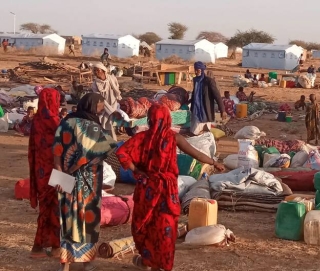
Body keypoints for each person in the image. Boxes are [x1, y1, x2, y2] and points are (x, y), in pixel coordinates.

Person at [116, 104, 224, 271]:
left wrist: (135, 169)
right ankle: (161, 264)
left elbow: (121, 152)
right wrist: (214, 162)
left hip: (147, 188)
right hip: (167, 189)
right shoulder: (173, 138)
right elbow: (196, 153)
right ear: (167, 119)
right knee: (165, 226)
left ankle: (147, 260)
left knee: (145, 224)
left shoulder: (141, 137)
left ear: (150, 119)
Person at [53, 93, 117, 271]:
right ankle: (87, 262)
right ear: (91, 105)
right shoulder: (94, 127)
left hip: (65, 177)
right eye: (100, 105)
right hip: (90, 181)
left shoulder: (65, 123)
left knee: (67, 219)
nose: (102, 108)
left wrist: (59, 172)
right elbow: (108, 147)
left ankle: (65, 264)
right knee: (88, 220)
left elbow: (56, 151)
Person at [28, 88, 61, 259]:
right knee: (56, 209)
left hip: (40, 171)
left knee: (46, 208)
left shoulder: (37, 121)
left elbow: (32, 149)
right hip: (56, 170)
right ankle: (43, 246)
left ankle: (49, 247)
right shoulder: (55, 121)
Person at [190, 61, 226, 135]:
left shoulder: (209, 81)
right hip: (196, 111)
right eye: (195, 70)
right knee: (194, 133)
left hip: (205, 111)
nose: (196, 72)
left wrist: (222, 110)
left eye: (198, 70)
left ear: (202, 70)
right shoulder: (195, 80)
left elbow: (217, 96)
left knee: (205, 133)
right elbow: (195, 94)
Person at [91, 62, 121, 139]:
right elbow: (100, 99)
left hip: (115, 104)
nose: (96, 72)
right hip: (104, 107)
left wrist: (119, 102)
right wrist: (112, 111)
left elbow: (117, 90)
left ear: (103, 71)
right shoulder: (95, 84)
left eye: (98, 70)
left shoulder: (112, 78)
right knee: (105, 124)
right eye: (94, 71)